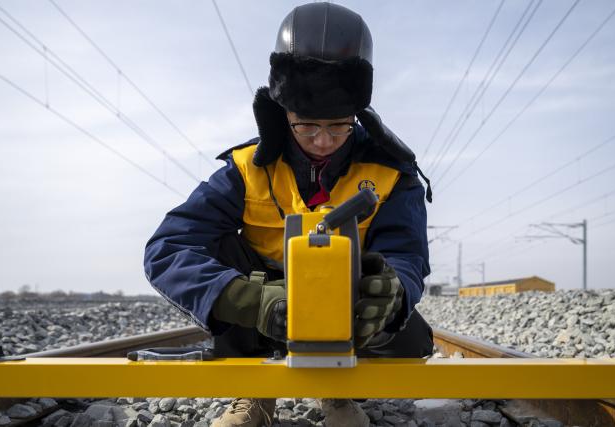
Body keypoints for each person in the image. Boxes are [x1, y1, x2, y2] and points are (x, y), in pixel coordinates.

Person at [144, 3, 434, 427]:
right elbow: (167, 248)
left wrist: (390, 293)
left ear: (357, 116)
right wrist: (250, 301)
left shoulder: (392, 174)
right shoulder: (245, 169)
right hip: (265, 308)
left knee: (408, 334)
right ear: (284, 113)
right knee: (220, 253)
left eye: (338, 127)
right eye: (306, 126)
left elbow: (407, 255)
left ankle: (337, 390)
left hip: (347, 309)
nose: (322, 141)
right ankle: (255, 393)